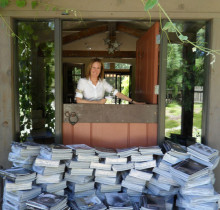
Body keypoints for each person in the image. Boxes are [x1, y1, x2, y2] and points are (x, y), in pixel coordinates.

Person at [75, 58, 144, 104]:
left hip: (101, 112)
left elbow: (117, 94)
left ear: (101, 70)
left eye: (98, 68)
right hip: (86, 112)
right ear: (90, 68)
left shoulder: (103, 82)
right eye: (94, 67)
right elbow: (78, 100)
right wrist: (97, 103)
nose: (95, 70)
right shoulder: (82, 81)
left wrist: (134, 102)